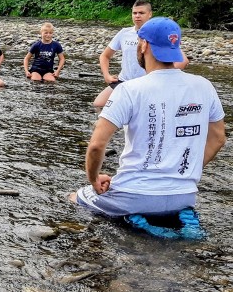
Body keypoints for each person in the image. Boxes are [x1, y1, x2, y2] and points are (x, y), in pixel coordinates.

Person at [70, 17, 226, 221]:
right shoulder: (204, 85)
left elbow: (97, 146)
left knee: (74, 197)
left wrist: (94, 180)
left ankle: (135, 220)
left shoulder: (129, 89)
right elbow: (218, 139)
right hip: (184, 196)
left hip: (134, 195)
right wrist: (184, 173)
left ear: (144, 45)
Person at [92, 0, 188, 107]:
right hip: (123, 81)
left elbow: (183, 61)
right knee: (98, 104)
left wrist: (163, 77)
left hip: (148, 84)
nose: (137, 16)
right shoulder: (124, 33)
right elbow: (105, 56)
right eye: (134, 13)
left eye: (141, 13)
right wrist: (107, 75)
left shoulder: (157, 34)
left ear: (150, 14)